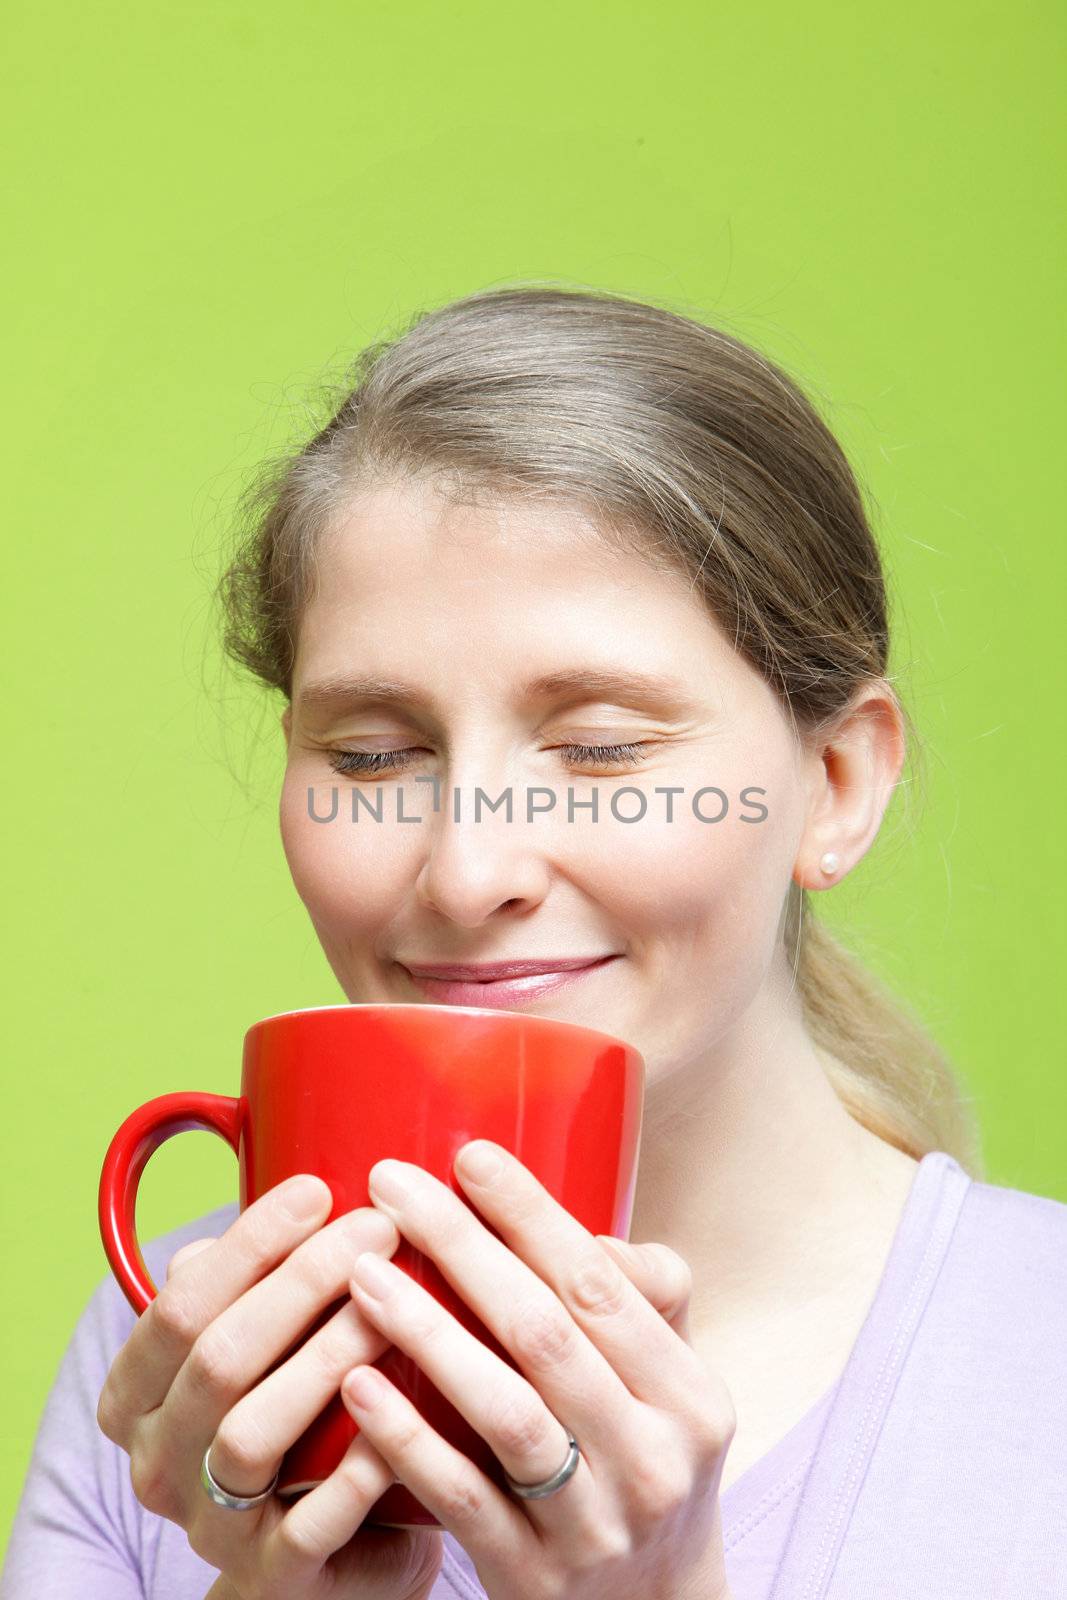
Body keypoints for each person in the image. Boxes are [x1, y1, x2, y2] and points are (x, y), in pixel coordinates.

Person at [3, 284, 1064, 1600]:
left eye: (604, 748)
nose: (467, 867)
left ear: (838, 782)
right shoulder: (183, 1356)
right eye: (374, 753)